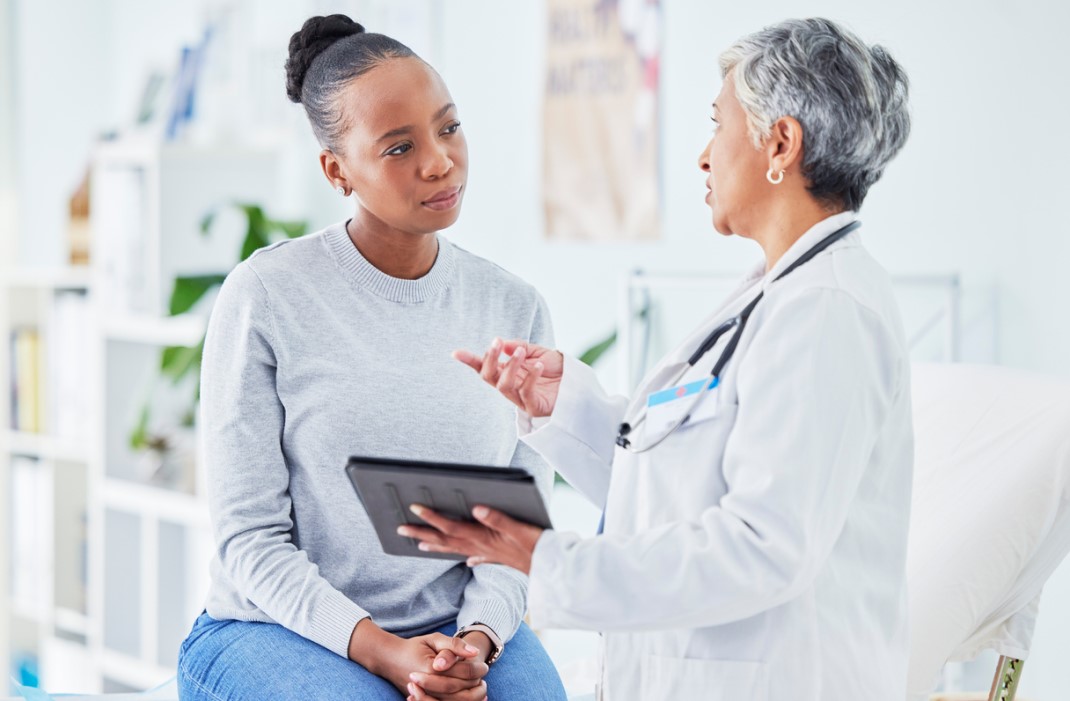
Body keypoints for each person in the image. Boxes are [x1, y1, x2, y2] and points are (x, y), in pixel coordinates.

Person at [402, 17, 914, 701]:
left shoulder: (828, 310)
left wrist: (549, 559)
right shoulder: (777, 294)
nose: (704, 156)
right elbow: (676, 487)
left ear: (780, 144)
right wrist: (567, 408)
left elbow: (765, 545)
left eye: (718, 125)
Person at [176, 14, 567, 701]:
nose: (439, 160)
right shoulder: (266, 296)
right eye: (398, 147)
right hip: (273, 626)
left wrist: (474, 641)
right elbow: (250, 539)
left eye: (448, 128)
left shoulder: (514, 306)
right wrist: (386, 653)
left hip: (453, 624)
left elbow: (520, 526)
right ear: (337, 170)